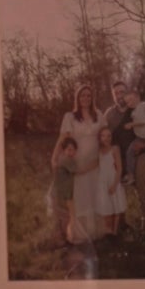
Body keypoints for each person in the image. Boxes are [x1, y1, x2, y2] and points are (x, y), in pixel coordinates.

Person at [57, 83, 121, 243]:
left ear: (92, 98)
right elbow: (64, 138)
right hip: (78, 161)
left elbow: (105, 135)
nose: (85, 98)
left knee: (96, 193)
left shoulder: (98, 114)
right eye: (82, 95)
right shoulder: (70, 117)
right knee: (80, 196)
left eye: (88, 96)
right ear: (77, 98)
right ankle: (81, 233)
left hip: (95, 161)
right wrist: (55, 157)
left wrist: (108, 156)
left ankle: (98, 231)